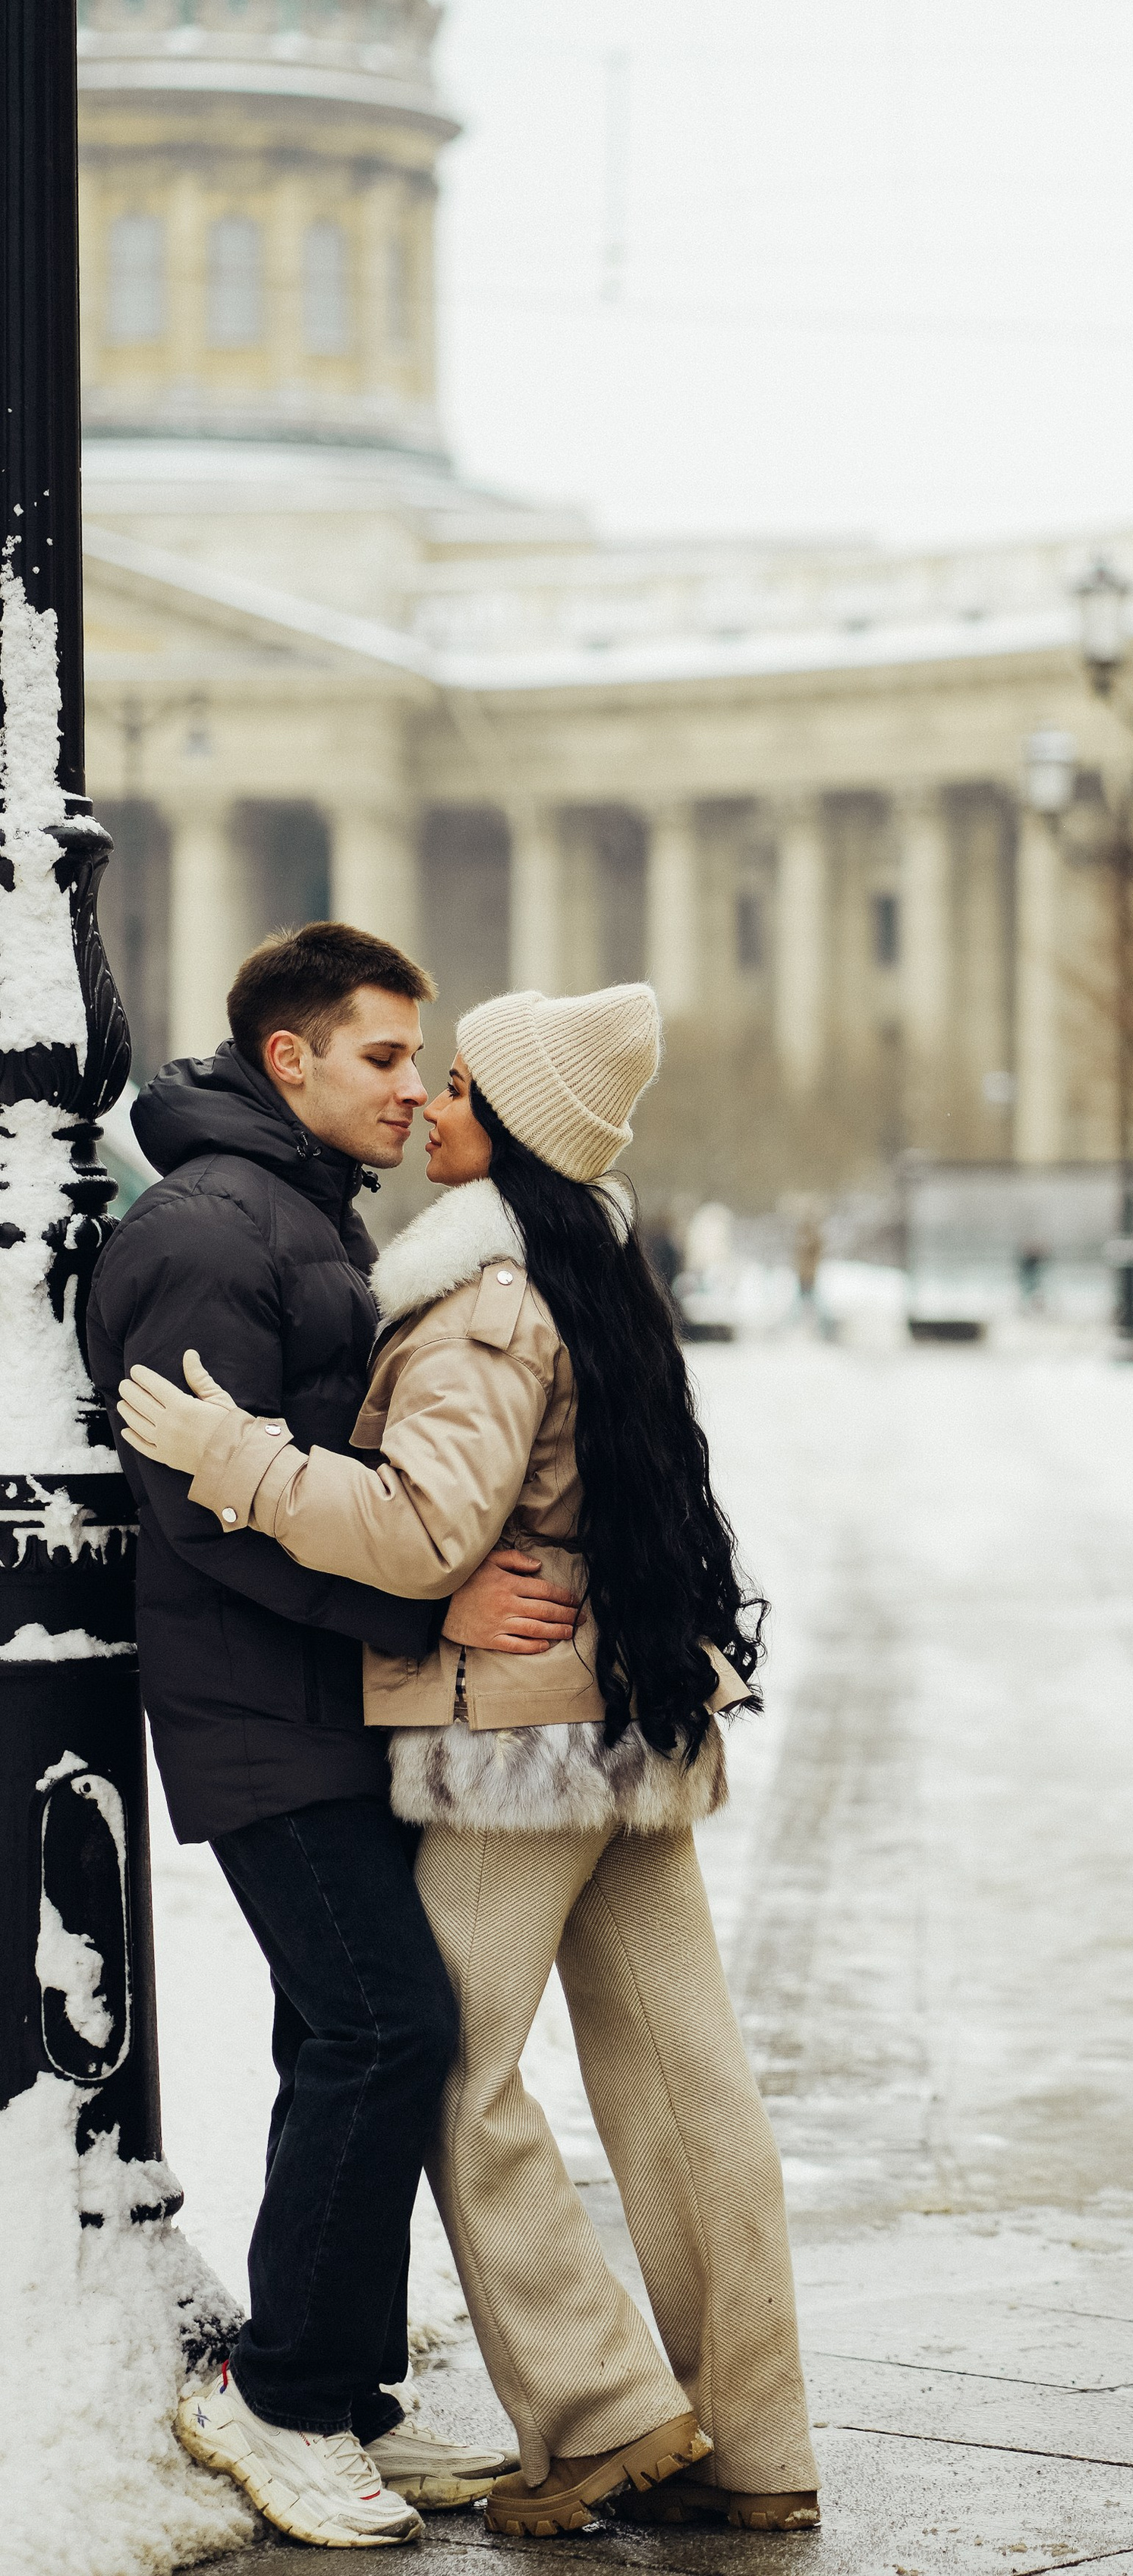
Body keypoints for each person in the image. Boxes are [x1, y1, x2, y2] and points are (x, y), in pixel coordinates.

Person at [118, 980, 821, 2541]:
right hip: (626, 1715)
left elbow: (427, 1524)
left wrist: (238, 1457)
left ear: (507, 1129)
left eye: (454, 1087)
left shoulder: (480, 1300)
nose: (428, 1104)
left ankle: (599, 2415)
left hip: (518, 1745)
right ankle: (756, 2442)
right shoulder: (586, 1277)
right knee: (684, 2085)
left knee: (441, 2066)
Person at [87, 924, 548, 2548]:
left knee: (340, 2039)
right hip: (256, 1708)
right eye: (381, 1056)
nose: (412, 1090)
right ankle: (275, 2400)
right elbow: (206, 1517)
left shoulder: (293, 1211)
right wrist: (428, 1617)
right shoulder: (212, 1233)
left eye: (419, 1060)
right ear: (288, 1058)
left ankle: (336, 2388)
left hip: (325, 1702)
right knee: (382, 2028)